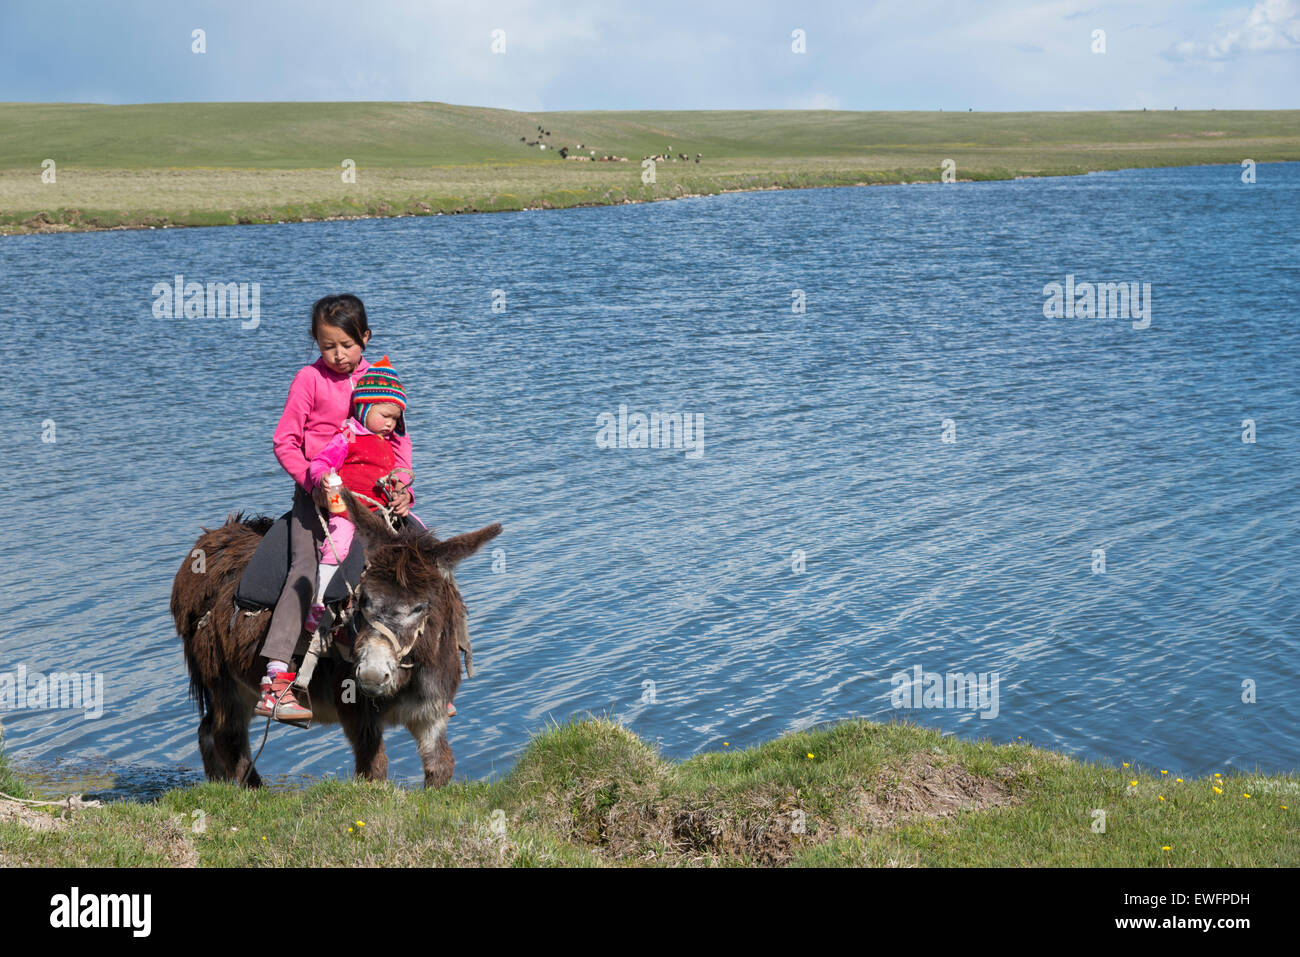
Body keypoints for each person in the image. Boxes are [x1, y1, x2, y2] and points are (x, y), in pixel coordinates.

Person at [256, 295, 413, 723]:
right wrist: (312, 482)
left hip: (375, 496)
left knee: (423, 561)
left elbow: (398, 437)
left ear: (365, 337)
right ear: (317, 344)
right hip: (318, 495)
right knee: (305, 570)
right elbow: (284, 441)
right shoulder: (308, 380)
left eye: (347, 344)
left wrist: (404, 485)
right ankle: (277, 681)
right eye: (328, 346)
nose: (338, 355)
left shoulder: (378, 377)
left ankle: (439, 663)